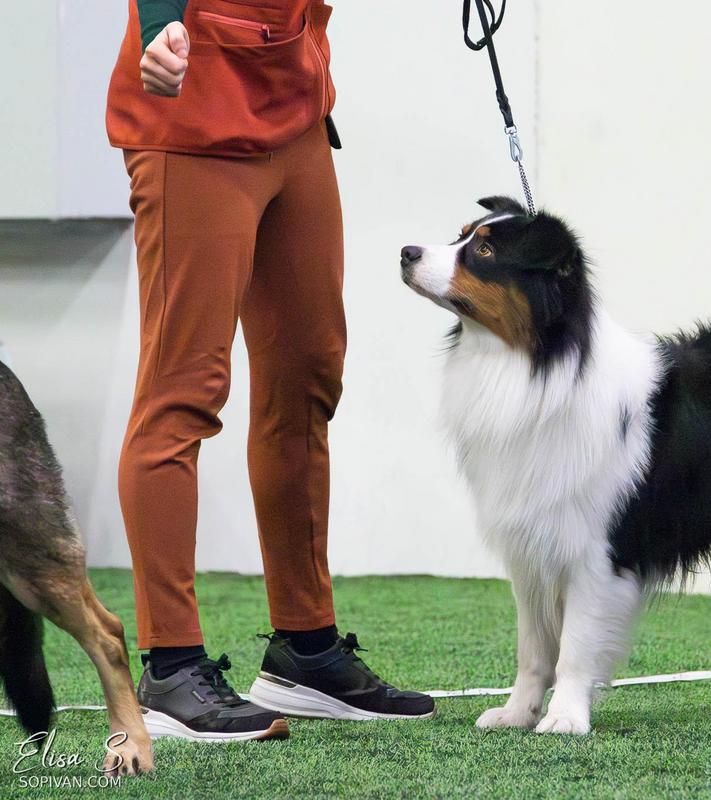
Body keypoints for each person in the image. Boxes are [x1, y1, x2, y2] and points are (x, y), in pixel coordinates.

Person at [106, 0, 434, 741]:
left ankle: (305, 650)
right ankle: (170, 667)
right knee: (181, 394)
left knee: (306, 380)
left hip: (293, 107)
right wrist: (159, 23)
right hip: (194, 113)